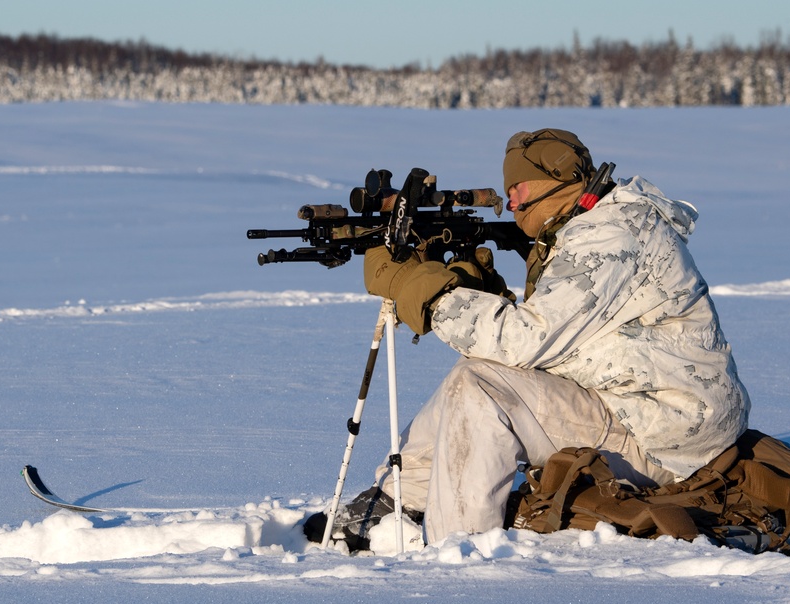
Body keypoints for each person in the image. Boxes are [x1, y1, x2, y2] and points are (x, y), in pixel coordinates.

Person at [305, 128, 750, 550]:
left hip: (665, 440)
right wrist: (474, 290)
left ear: (557, 180)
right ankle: (401, 501)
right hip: (645, 410)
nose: (511, 199)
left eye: (519, 186)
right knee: (478, 374)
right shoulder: (595, 225)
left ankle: (456, 546)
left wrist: (425, 293)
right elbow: (560, 338)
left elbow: (527, 339)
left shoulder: (610, 236)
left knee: (481, 386)